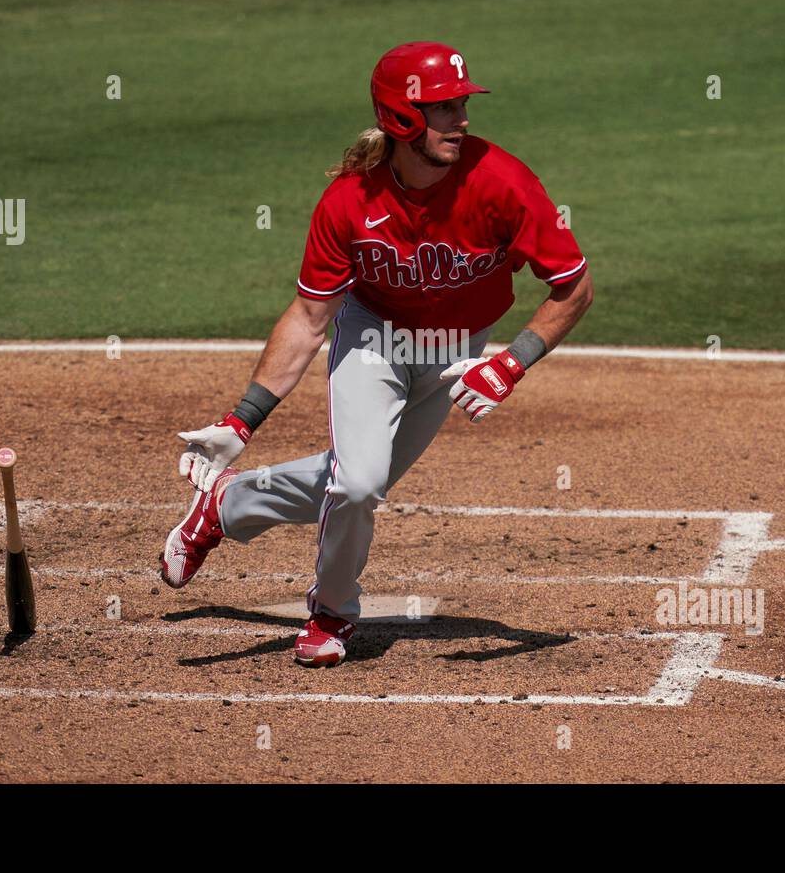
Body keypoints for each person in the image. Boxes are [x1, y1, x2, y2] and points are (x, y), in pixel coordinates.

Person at [160, 41, 593, 667]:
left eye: (462, 104)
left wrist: (513, 360)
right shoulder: (349, 203)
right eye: (444, 108)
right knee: (357, 483)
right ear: (401, 119)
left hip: (456, 349)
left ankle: (225, 504)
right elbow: (310, 320)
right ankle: (333, 614)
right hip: (374, 337)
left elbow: (574, 285)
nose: (462, 119)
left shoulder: (502, 183)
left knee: (361, 482)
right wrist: (242, 419)